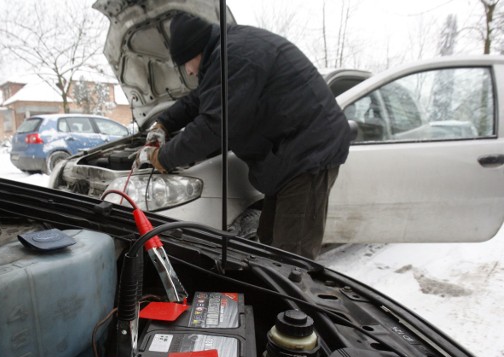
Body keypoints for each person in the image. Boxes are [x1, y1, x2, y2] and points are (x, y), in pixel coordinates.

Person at [137, 12, 353, 260]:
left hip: (308, 155)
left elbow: (214, 126)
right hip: (289, 155)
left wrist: (163, 157)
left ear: (195, 50)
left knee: (292, 259)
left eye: (186, 64)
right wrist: (164, 122)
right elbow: (200, 100)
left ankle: (289, 298)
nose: (189, 71)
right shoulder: (225, 52)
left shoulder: (234, 55)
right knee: (269, 243)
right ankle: (271, 294)